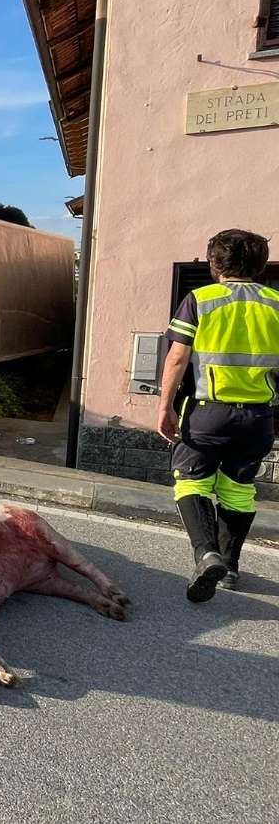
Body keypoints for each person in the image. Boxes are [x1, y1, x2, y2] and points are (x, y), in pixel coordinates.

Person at [158, 229, 279, 602]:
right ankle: (230, 567)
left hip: (208, 413)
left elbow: (178, 358)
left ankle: (206, 554)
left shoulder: (200, 299)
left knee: (191, 482)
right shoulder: (276, 303)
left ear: (214, 263)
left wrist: (164, 407)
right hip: (259, 417)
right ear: (260, 265)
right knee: (239, 490)